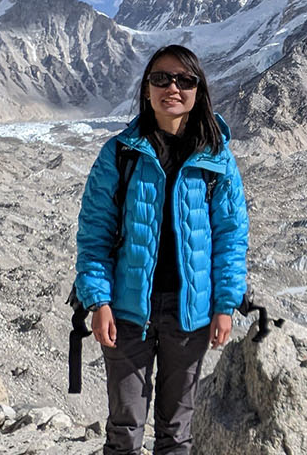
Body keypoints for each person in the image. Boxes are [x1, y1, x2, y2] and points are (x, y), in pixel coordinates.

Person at [74, 44, 250, 455]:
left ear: (198, 90)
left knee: (176, 430)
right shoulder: (119, 153)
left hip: (190, 314)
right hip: (127, 311)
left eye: (184, 80)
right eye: (161, 78)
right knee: (124, 427)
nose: (172, 87)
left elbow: (231, 237)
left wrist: (224, 304)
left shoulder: (216, 158)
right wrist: (98, 300)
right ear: (147, 88)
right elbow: (94, 234)